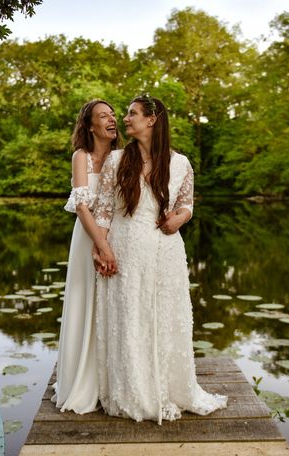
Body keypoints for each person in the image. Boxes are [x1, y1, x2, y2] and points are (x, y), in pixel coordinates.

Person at [93, 95, 227, 424]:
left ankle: (169, 387)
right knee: (130, 318)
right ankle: (133, 390)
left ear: (152, 119)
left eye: (132, 113)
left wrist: (180, 218)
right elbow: (104, 212)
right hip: (125, 247)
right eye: (125, 114)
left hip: (165, 251)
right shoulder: (116, 160)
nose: (125, 119)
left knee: (166, 319)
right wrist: (102, 248)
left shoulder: (180, 163)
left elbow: (187, 204)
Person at [53, 99, 120, 414]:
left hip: (117, 236)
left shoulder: (124, 157)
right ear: (90, 125)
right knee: (85, 301)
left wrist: (110, 244)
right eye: (103, 116)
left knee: (113, 305)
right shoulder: (82, 157)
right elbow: (81, 205)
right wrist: (100, 244)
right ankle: (83, 382)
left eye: (113, 114)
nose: (112, 119)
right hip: (87, 237)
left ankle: (114, 381)